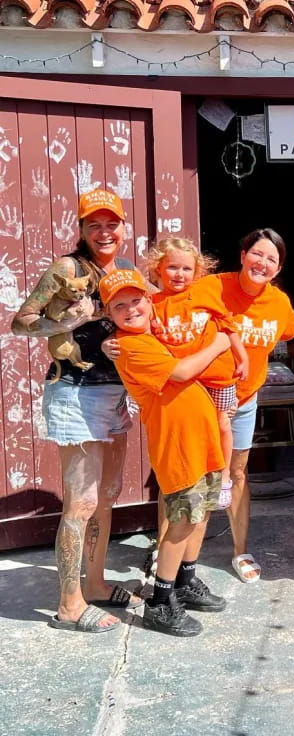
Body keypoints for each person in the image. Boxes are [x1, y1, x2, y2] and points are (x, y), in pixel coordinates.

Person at [11, 189, 142, 633]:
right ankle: (69, 604)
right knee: (82, 502)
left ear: (124, 227)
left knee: (106, 497)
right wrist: (70, 321)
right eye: (94, 225)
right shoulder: (67, 269)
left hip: (114, 393)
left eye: (112, 224)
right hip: (75, 391)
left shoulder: (126, 271)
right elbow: (21, 321)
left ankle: (98, 584)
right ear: (82, 229)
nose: (104, 233)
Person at [102, 269, 229, 636]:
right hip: (178, 446)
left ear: (150, 301)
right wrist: (219, 345)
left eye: (137, 300)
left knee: (199, 513)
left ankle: (185, 580)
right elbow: (181, 371)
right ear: (109, 313)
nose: (130, 309)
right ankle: (160, 600)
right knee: (182, 520)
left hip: (199, 439)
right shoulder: (130, 345)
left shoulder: (150, 335)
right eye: (119, 305)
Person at [204, 229, 294, 583]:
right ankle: (168, 550)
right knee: (186, 475)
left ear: (278, 269)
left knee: (237, 474)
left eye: (271, 259)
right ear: (243, 253)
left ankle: (239, 549)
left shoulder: (278, 303)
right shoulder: (213, 287)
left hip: (245, 400)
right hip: (203, 399)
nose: (262, 263)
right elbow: (171, 306)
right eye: (257, 254)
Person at [147, 237, 248, 507]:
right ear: (158, 269)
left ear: (197, 272)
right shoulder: (153, 304)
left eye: (186, 269)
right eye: (172, 268)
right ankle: (197, 477)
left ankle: (224, 476)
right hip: (185, 382)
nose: (179, 274)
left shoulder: (205, 294)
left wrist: (242, 356)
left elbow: (227, 325)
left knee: (222, 423)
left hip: (217, 375)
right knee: (194, 432)